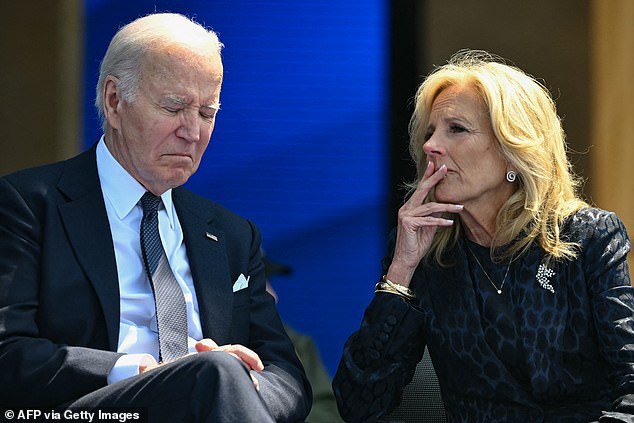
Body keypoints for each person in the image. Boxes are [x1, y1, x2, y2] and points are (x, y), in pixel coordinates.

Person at [0, 13, 311, 423]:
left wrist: (242, 386)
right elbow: (8, 351)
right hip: (89, 410)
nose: (193, 132)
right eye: (175, 107)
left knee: (220, 372)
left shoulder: (234, 235)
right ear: (114, 101)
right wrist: (139, 369)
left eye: (207, 113)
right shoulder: (27, 205)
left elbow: (288, 377)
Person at [332, 49, 634, 422]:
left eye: (456, 129)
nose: (430, 146)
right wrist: (400, 272)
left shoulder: (588, 237)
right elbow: (359, 406)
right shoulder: (424, 251)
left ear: (513, 150)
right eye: (429, 133)